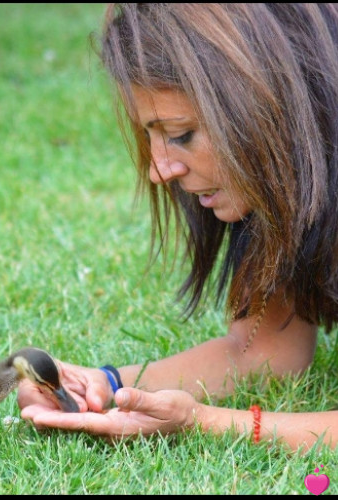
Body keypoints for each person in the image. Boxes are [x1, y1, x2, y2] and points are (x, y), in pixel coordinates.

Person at [18, 3, 338, 452]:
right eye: (151, 135)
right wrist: (102, 385)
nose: (159, 170)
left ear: (271, 103)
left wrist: (202, 421)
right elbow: (266, 354)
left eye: (181, 133)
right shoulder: (279, 191)